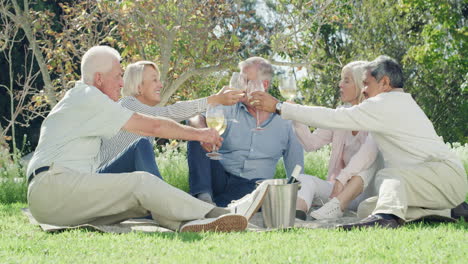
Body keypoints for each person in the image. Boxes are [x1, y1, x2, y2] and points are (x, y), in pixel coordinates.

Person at [26, 46, 268, 233]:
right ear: (99, 79)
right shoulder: (89, 96)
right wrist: (200, 133)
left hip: (64, 194)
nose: (122, 84)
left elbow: (159, 118)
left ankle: (186, 221)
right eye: (118, 76)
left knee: (139, 197)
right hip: (53, 190)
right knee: (142, 182)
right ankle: (216, 213)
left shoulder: (85, 102)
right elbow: (154, 124)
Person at [250, 55, 467, 229]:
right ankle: (449, 211)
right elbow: (325, 129)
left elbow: (335, 118)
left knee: (387, 177)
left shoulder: (385, 103)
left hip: (444, 176)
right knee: (366, 209)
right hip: (431, 184)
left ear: (384, 83)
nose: (363, 90)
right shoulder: (396, 102)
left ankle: (387, 220)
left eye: (366, 84)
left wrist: (280, 107)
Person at [187, 57, 304, 207]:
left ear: (265, 85)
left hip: (256, 186)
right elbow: (194, 117)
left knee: (252, 192)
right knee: (197, 135)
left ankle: (208, 206)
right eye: (240, 81)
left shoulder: (286, 121)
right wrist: (203, 132)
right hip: (220, 179)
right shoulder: (229, 107)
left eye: (247, 82)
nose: (241, 87)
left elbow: (296, 169)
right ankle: (203, 200)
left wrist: (295, 199)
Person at [98, 61, 244, 177]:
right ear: (139, 87)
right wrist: (214, 99)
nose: (160, 85)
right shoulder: (127, 104)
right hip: (106, 180)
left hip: (127, 182)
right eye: (154, 80)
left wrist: (215, 99)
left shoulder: (144, 113)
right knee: (142, 145)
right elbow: (168, 114)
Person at [294, 61, 382, 220]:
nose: (340, 84)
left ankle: (333, 207)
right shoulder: (340, 116)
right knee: (303, 179)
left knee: (368, 164)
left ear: (360, 84)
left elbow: (369, 159)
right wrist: (295, 116)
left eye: (346, 80)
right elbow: (310, 144)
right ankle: (297, 218)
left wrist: (342, 180)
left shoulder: (375, 116)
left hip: (368, 193)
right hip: (338, 191)